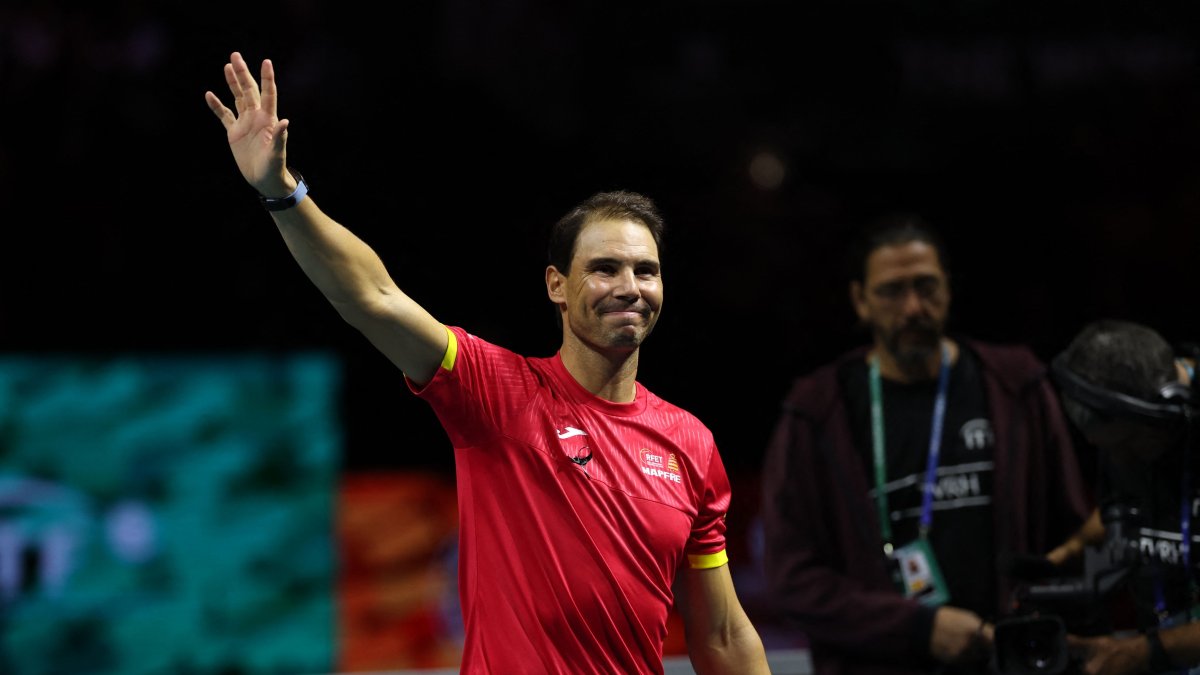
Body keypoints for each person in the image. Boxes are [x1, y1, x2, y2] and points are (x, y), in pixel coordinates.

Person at [203, 52, 770, 675]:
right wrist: (283, 194)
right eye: (604, 268)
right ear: (557, 285)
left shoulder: (691, 443)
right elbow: (374, 296)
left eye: (646, 270)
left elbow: (721, 635)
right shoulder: (499, 394)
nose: (629, 286)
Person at [758, 213, 1092, 675]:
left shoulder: (1016, 387)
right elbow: (791, 578)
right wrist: (917, 627)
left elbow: (1074, 533)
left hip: (1014, 661)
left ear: (949, 289)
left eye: (926, 286)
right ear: (860, 301)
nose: (913, 307)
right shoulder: (818, 412)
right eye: (892, 291)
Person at [1047, 319, 1198, 675]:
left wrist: (1147, 652)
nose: (1120, 461)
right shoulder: (1125, 433)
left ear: (1169, 408)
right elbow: (1123, 503)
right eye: (1109, 450)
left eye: (1128, 446)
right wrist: (1065, 554)